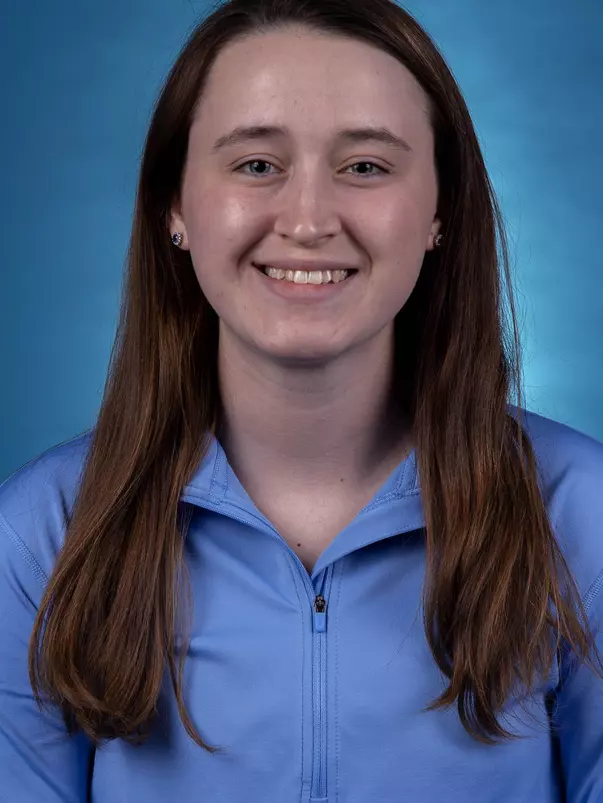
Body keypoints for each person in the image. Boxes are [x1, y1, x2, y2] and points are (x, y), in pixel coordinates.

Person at [1, 0, 602, 800]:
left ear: (439, 213)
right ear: (173, 206)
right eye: (256, 164)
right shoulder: (45, 530)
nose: (309, 220)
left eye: (364, 166)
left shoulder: (576, 512)